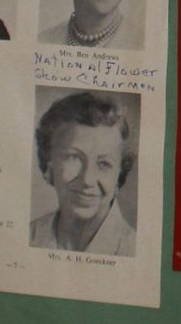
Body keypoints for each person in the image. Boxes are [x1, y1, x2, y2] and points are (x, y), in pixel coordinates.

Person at [29, 92, 137, 256]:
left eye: (104, 164)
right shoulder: (29, 236)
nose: (87, 179)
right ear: (49, 167)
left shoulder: (133, 250)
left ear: (119, 177)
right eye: (74, 157)